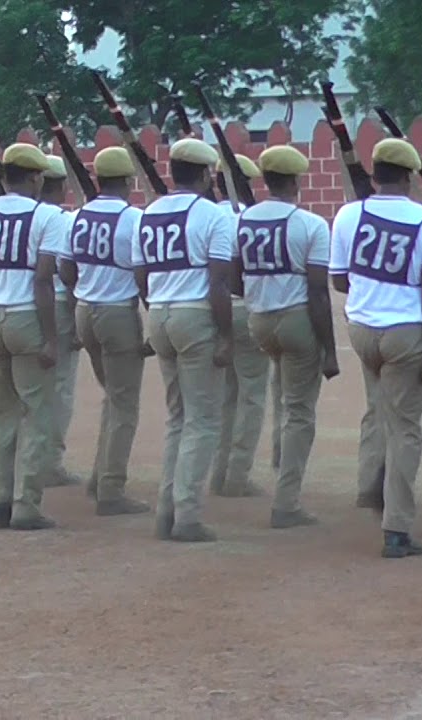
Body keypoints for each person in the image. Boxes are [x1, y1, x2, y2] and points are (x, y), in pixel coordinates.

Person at [330, 138, 422, 559]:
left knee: (377, 408)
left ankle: (369, 486)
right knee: (406, 429)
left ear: (375, 173)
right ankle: (396, 527)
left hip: (362, 328)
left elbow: (339, 279)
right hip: (405, 331)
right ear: (410, 176)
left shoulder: (349, 214)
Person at [135, 138, 235, 542]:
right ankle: (187, 515)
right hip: (195, 314)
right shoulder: (213, 215)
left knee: (177, 417)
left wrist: (156, 307)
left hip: (160, 311)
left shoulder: (150, 212)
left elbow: (141, 274)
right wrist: (226, 334)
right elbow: (219, 282)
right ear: (206, 174)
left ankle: (167, 511)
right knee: (202, 419)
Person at [0, 143, 70, 530]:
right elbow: (43, 280)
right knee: (36, 413)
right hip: (26, 316)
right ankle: (26, 504)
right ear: (35, 177)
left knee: (3, 414)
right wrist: (51, 338)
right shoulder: (48, 216)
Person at [238, 145, 339, 528]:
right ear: (296, 181)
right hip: (296, 318)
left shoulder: (244, 219)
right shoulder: (310, 224)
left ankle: (282, 463)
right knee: (299, 411)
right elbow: (318, 291)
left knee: (281, 393)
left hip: (259, 317)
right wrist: (330, 350)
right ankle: (287, 500)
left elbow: (233, 276)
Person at [58, 147, 150, 516]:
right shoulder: (134, 218)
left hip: (85, 309)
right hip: (118, 311)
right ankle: (111, 488)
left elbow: (66, 270)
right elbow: (142, 275)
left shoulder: (77, 215)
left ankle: (100, 478)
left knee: (112, 395)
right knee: (124, 402)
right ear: (128, 180)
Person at [208, 154, 272, 499]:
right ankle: (237, 474)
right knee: (251, 397)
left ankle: (219, 472)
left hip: (213, 311)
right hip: (244, 307)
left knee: (227, 397)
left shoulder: (209, 214)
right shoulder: (246, 217)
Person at [39, 156, 84, 488]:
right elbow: (69, 276)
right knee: (60, 389)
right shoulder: (63, 221)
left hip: (20, 305)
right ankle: (49, 462)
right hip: (56, 306)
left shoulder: (23, 215)